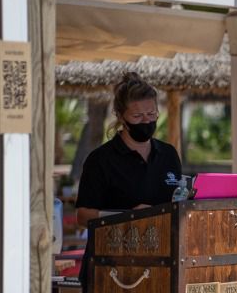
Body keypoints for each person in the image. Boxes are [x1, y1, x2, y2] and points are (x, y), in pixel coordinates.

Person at [75, 72, 182, 227]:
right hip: (115, 248)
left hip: (162, 247)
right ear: (120, 116)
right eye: (137, 116)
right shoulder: (100, 159)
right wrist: (128, 216)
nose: (146, 120)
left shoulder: (168, 154)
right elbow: (83, 216)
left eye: (152, 114)